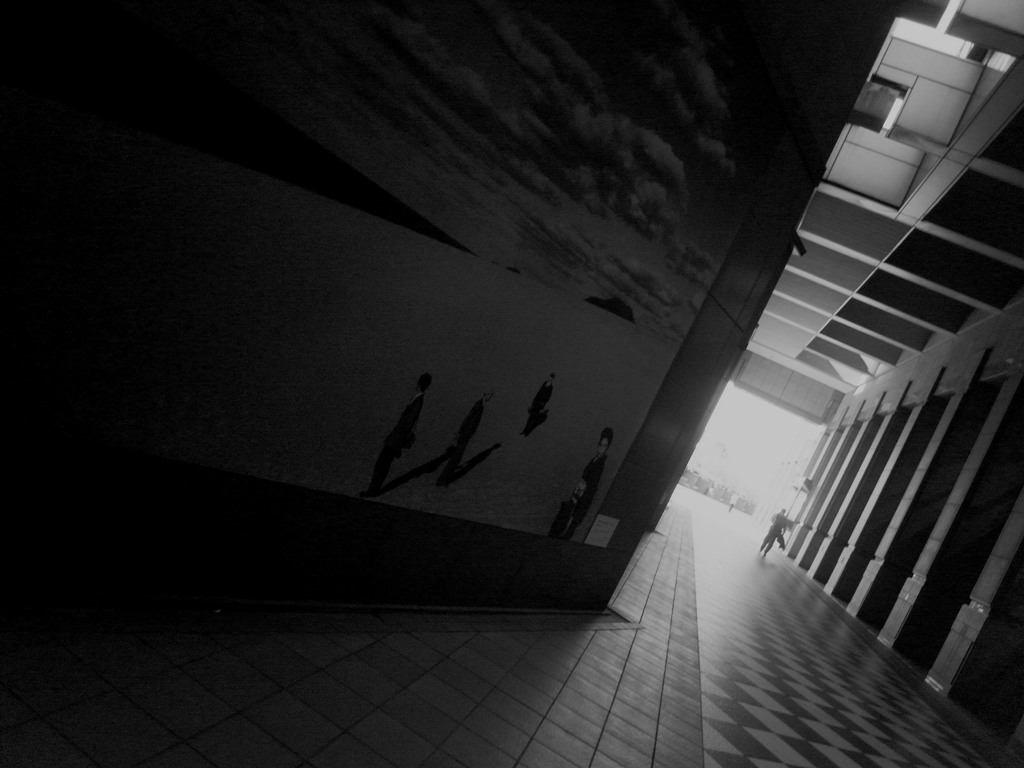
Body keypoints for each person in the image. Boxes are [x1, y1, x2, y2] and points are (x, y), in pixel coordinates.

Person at [361, 373, 432, 497]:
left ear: (419, 384)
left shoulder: (418, 400)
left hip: (396, 438)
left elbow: (408, 422)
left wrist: (398, 442)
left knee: (382, 463)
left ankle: (373, 490)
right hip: (397, 437)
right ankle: (374, 489)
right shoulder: (418, 399)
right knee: (383, 463)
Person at [548, 427, 614, 540]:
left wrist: (578, 497)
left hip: (580, 501)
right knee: (565, 526)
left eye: (604, 446)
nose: (601, 448)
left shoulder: (599, 465)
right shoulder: (595, 460)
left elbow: (591, 487)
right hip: (578, 497)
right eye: (600, 444)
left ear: (607, 447)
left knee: (567, 527)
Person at [437, 391, 493, 486]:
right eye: (490, 395)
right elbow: (469, 418)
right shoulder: (479, 405)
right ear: (485, 394)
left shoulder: (480, 404)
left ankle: (444, 478)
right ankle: (443, 479)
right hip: (465, 434)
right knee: (456, 457)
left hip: (466, 434)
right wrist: (461, 432)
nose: (490, 397)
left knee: (456, 457)